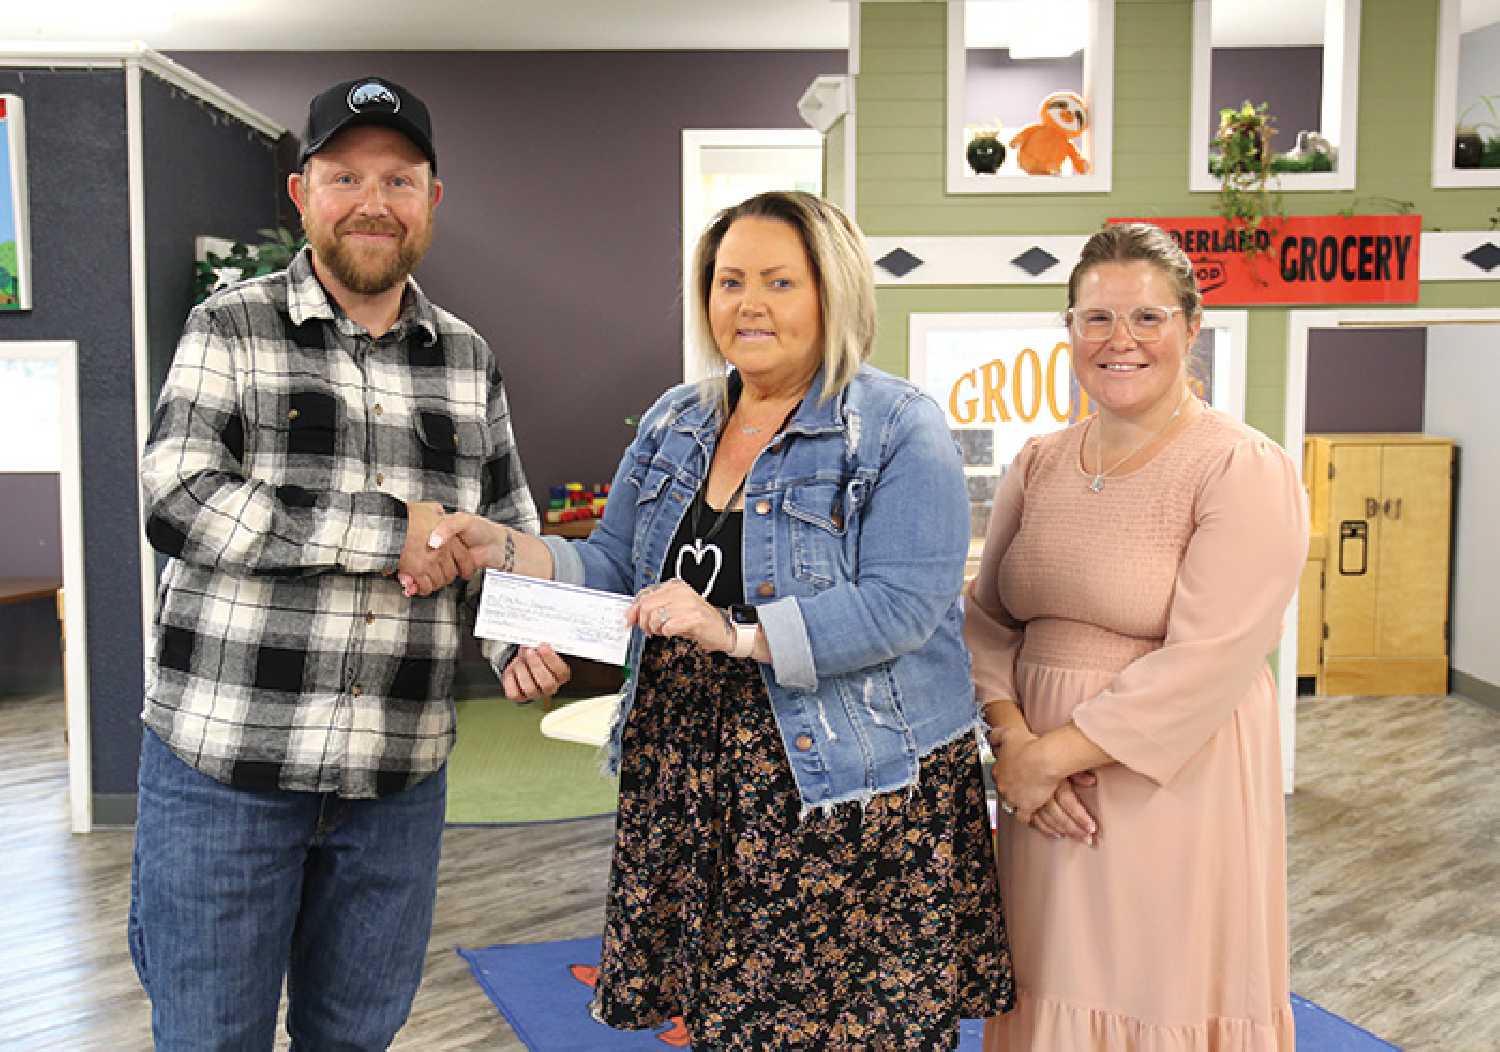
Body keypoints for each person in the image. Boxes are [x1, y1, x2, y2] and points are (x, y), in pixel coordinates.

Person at [426, 191, 1013, 1048]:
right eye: (730, 280)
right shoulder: (677, 420)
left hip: (842, 786)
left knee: (848, 1032)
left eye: (780, 281)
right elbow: (615, 566)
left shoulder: (895, 427)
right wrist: (505, 551)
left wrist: (734, 633)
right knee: (725, 1024)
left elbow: (902, 607)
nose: (750, 304)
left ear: (834, 293)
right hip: (693, 775)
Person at [130, 76, 539, 1050]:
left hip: (394, 783)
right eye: (345, 174)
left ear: (431, 200)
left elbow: (506, 526)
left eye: (398, 179)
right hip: (226, 771)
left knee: (356, 1037)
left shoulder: (467, 359)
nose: (372, 200)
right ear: (301, 191)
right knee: (207, 1036)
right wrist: (386, 531)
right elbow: (177, 499)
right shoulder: (230, 327)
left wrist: (524, 624)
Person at [966, 222, 1308, 1051]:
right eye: (1095, 318)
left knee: (1153, 986)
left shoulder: (1241, 465)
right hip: (1039, 789)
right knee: (1049, 979)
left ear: (1191, 329)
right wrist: (1014, 741)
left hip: (1167, 780)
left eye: (1148, 318)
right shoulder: (1038, 461)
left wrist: (1051, 758)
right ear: (1070, 331)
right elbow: (984, 615)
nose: (1120, 341)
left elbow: (1213, 656)